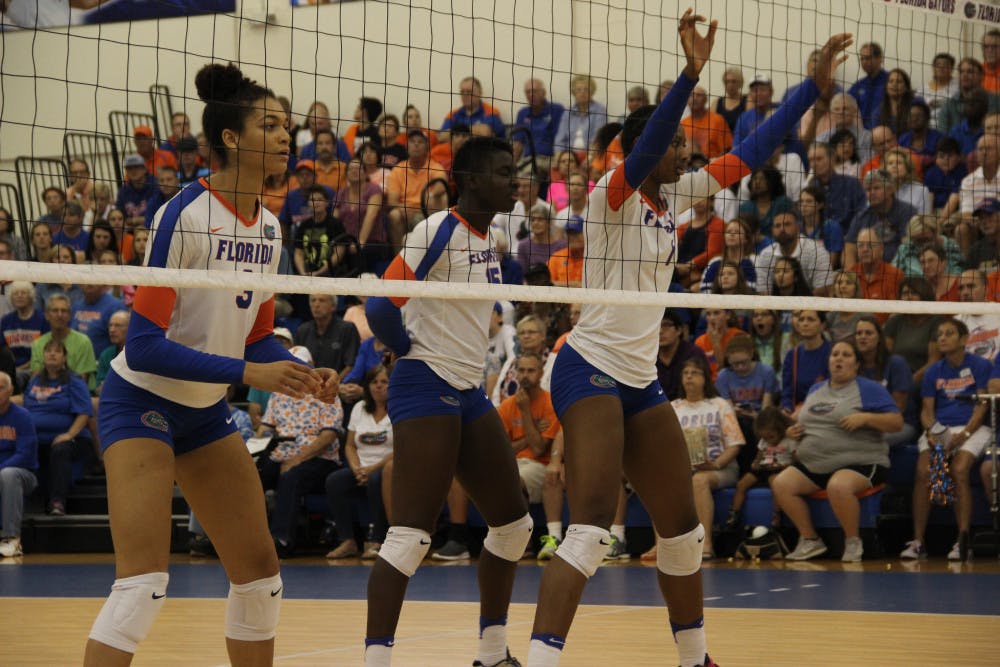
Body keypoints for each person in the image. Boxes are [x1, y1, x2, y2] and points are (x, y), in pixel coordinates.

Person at [527, 16, 851, 667]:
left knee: (682, 530)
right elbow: (644, 152)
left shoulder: (673, 195)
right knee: (590, 530)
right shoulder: (607, 195)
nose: (684, 155)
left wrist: (810, 91)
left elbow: (752, 151)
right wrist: (691, 75)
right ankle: (540, 659)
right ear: (646, 149)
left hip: (639, 379)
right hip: (586, 366)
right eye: (674, 146)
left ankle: (695, 658)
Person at [83, 63, 338, 666]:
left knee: (260, 580)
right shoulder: (184, 215)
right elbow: (142, 344)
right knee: (142, 585)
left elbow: (255, 339)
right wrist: (248, 374)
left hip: (203, 413)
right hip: (141, 400)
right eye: (268, 124)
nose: (284, 135)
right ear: (231, 138)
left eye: (286, 125)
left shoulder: (272, 227)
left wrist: (300, 369)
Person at [364, 135, 532, 667]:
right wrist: (405, 348)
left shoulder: (492, 237)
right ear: (473, 180)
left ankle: (490, 653)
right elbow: (380, 304)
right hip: (425, 382)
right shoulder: (437, 229)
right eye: (504, 172)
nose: (514, 180)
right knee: (411, 536)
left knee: (513, 525)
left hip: (465, 389)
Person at [773, 339, 902, 562]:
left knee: (838, 485)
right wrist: (793, 431)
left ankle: (853, 542)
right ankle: (810, 540)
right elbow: (800, 420)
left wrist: (866, 417)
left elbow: (896, 422)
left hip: (860, 461)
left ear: (857, 364)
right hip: (815, 463)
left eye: (846, 355)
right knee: (781, 484)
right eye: (835, 355)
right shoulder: (816, 389)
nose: (839, 359)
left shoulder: (869, 389)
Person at [900, 318, 992, 562]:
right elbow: (927, 411)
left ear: (964, 339)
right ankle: (919, 542)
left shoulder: (981, 365)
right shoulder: (933, 371)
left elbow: (983, 406)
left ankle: (962, 541)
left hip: (973, 427)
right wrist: (933, 433)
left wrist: (964, 435)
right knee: (923, 471)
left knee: (959, 469)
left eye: (949, 333)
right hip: (941, 429)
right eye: (939, 334)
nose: (942, 338)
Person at [257, 345, 344, 557]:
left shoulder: (326, 394)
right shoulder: (279, 394)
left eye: (301, 367)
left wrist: (297, 459)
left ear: (312, 368)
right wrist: (256, 445)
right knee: (252, 475)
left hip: (319, 457)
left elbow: (328, 436)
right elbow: (265, 428)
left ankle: (282, 540)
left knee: (291, 476)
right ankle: (247, 538)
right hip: (281, 453)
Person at [673, 356, 745, 560]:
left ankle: (706, 544)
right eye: (685, 373)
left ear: (705, 378)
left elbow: (735, 444)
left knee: (699, 480)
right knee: (659, 483)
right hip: (683, 469)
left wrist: (714, 464)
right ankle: (662, 544)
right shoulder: (673, 408)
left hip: (721, 468)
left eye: (695, 373)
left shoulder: (719, 405)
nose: (689, 377)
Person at [495, 352, 563, 559]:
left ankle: (523, 542)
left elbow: (539, 449)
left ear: (541, 373)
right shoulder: (507, 405)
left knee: (515, 479)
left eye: (531, 370)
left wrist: (525, 413)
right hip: (513, 462)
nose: (525, 375)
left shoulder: (551, 403)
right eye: (521, 370)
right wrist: (529, 433)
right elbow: (501, 450)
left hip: (539, 466)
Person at [325, 365, 393, 560]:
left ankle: (379, 540)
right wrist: (356, 469)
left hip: (387, 468)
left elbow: (401, 449)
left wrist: (372, 469)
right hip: (361, 468)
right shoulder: (359, 408)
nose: (379, 387)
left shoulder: (398, 409)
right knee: (334, 481)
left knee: (376, 480)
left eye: (384, 382)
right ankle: (348, 540)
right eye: (374, 382)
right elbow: (350, 446)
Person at [22, 338, 94, 516]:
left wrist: (69, 434)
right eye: (48, 351)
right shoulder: (35, 380)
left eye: (57, 351)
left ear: (64, 357)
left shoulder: (74, 380)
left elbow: (84, 413)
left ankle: (57, 502)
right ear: (43, 356)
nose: (52, 354)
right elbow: (26, 407)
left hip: (74, 439)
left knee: (60, 448)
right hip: (38, 439)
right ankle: (26, 503)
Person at [724, 406, 794, 530]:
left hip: (780, 469)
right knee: (742, 484)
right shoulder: (764, 441)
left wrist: (784, 466)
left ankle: (776, 514)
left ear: (781, 429)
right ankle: (734, 514)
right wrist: (755, 463)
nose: (769, 441)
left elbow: (795, 461)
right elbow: (759, 455)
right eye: (765, 438)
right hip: (763, 468)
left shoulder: (788, 441)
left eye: (771, 437)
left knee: (776, 484)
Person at [854, 315, 915, 446]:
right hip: (864, 423)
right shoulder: (854, 366)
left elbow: (899, 408)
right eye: (859, 333)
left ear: (879, 338)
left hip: (899, 424)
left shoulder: (896, 363)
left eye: (868, 333)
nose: (863, 337)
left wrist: (870, 424)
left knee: (863, 442)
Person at [0, 372, 38, 558]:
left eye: (0, 388)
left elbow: (25, 454)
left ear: (10, 391)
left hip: (23, 475)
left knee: (7, 474)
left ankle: (12, 538)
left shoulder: (22, 416)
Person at [781, 310, 831, 413]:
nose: (805, 323)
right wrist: (787, 410)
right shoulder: (792, 355)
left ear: (822, 325)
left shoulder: (833, 353)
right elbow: (787, 392)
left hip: (825, 411)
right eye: (801, 319)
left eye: (810, 319)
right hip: (796, 413)